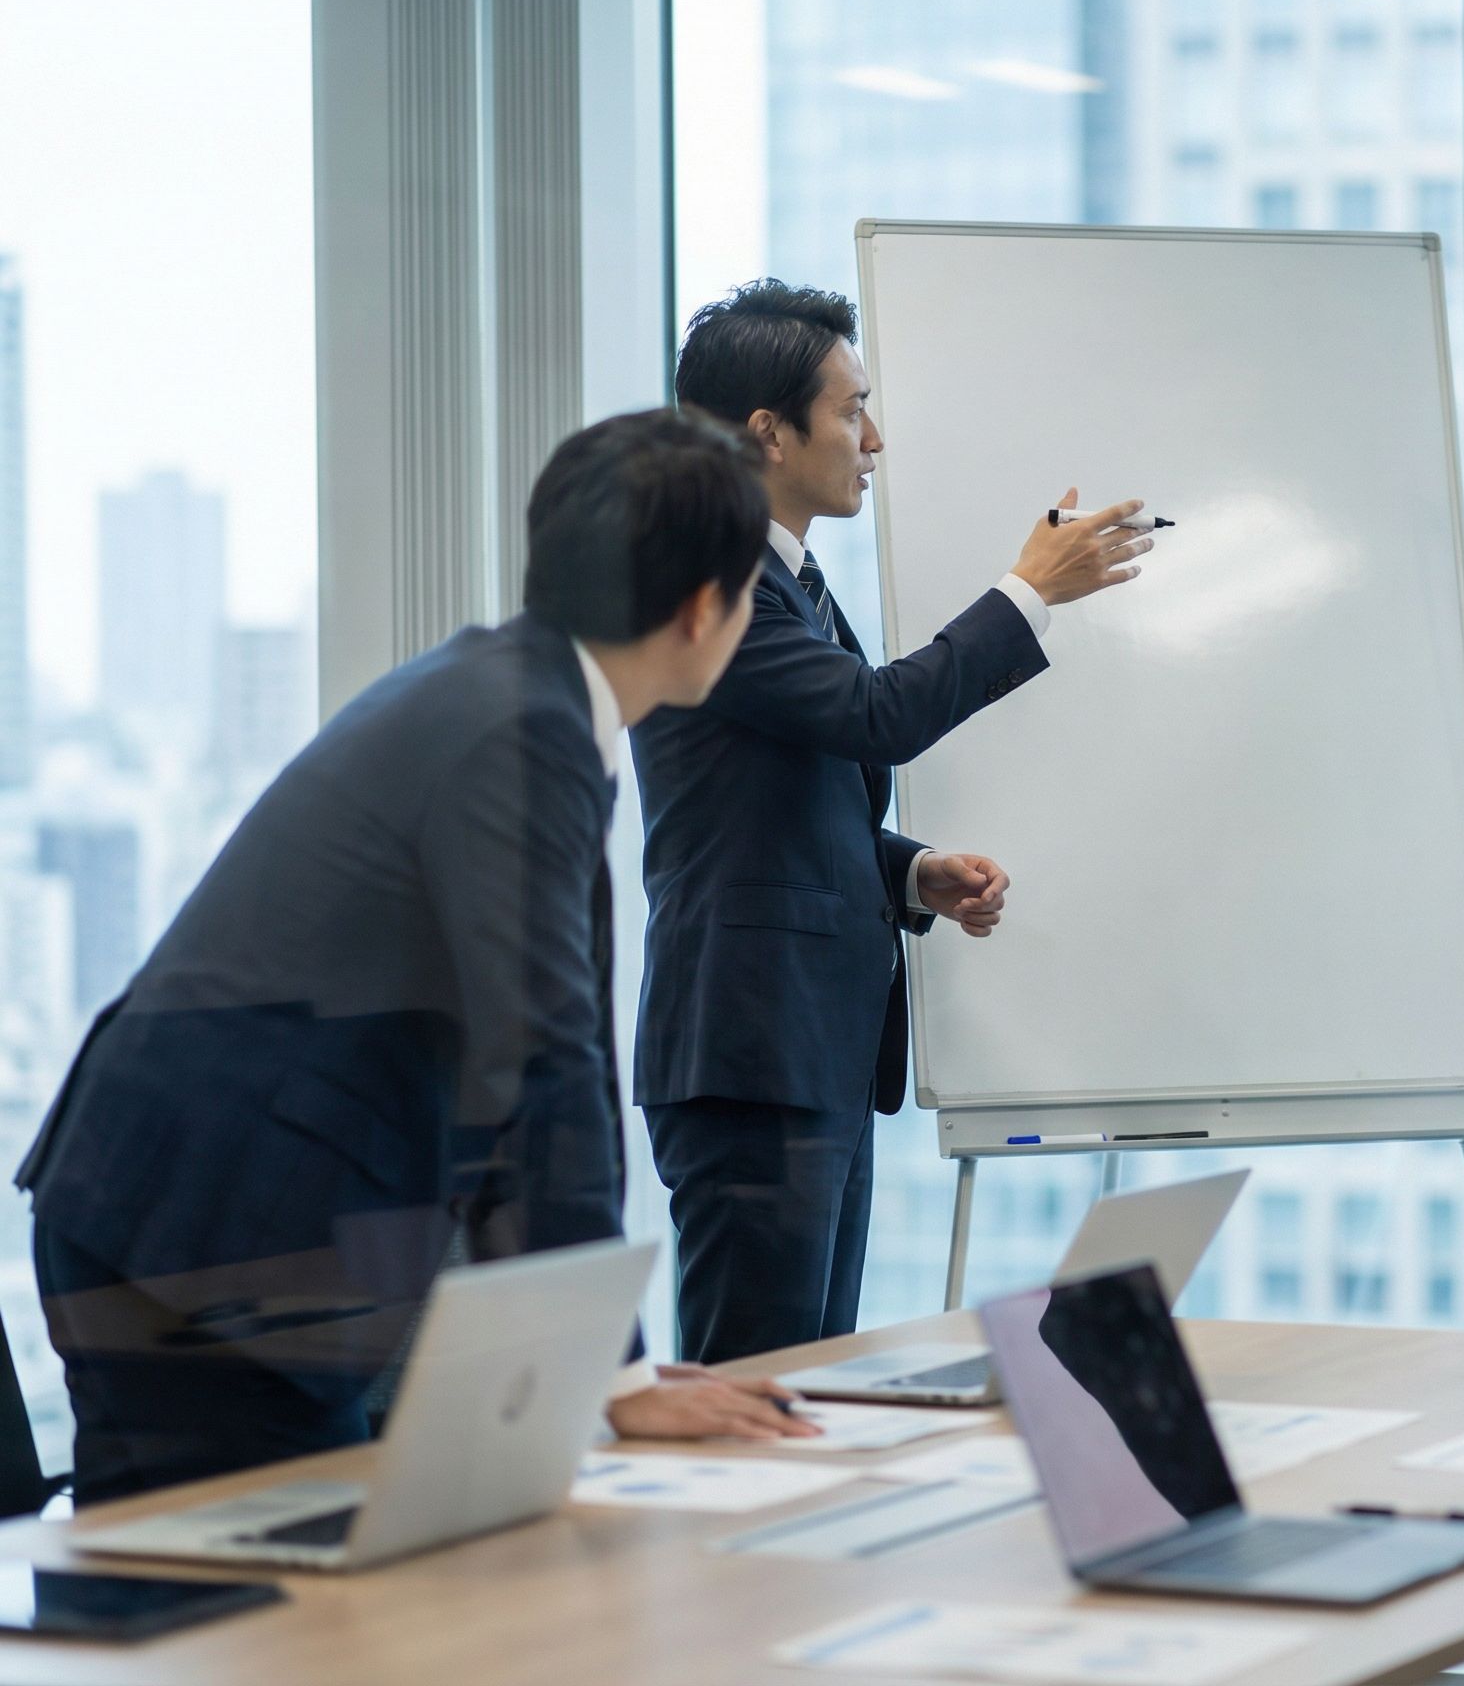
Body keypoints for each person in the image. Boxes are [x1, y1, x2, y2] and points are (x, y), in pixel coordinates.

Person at [19, 409, 819, 1505]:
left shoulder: (509, 694)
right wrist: (608, 1368)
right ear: (704, 609)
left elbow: (508, 1080)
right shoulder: (520, 729)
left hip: (231, 1220)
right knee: (238, 1609)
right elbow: (543, 1065)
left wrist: (597, 1359)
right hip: (204, 1241)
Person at [634, 280, 1150, 1363]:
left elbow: (778, 804)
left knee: (810, 1381)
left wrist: (912, 875)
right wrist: (1028, 591)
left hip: (805, 1047)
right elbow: (876, 716)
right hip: (749, 1053)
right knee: (755, 1391)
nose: (875, 438)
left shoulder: (792, 582)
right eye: (851, 409)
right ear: (768, 432)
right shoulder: (709, 578)